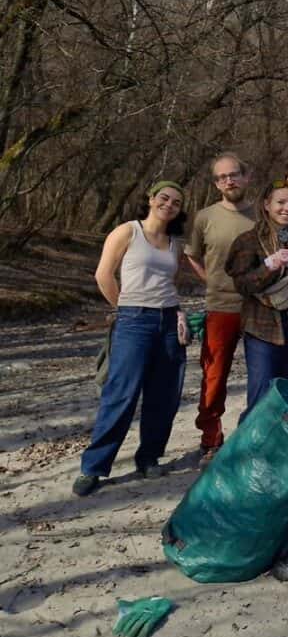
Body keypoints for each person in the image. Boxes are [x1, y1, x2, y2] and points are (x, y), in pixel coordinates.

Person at [74, 182, 189, 496]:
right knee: (121, 394)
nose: (169, 204)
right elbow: (103, 275)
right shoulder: (127, 231)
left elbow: (170, 282)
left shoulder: (174, 244)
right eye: (163, 198)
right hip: (133, 321)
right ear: (151, 199)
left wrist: (178, 314)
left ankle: (149, 457)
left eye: (176, 202)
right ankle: (93, 467)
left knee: (164, 395)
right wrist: (124, 308)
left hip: (168, 322)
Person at [185, 152, 256, 464]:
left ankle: (257, 438)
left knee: (262, 377)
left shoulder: (262, 213)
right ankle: (211, 439)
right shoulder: (205, 217)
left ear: (245, 177)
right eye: (222, 177)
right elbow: (192, 254)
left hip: (258, 307)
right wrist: (210, 280)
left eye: (234, 174)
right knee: (214, 376)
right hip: (220, 307)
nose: (229, 180)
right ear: (216, 184)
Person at [225, 181, 288, 419]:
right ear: (266, 205)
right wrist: (270, 265)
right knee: (261, 395)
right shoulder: (247, 240)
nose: (287, 208)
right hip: (262, 330)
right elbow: (242, 285)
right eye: (280, 202)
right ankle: (252, 451)